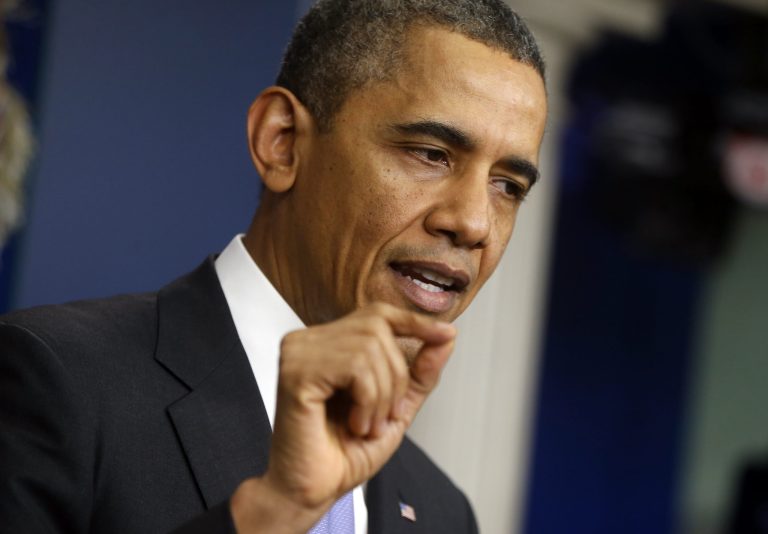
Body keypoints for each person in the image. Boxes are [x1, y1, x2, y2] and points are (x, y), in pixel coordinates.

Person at [0, 0, 547, 532]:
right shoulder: (52, 381)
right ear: (281, 142)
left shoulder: (443, 512)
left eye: (508, 186)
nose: (473, 223)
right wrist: (273, 514)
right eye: (430, 153)